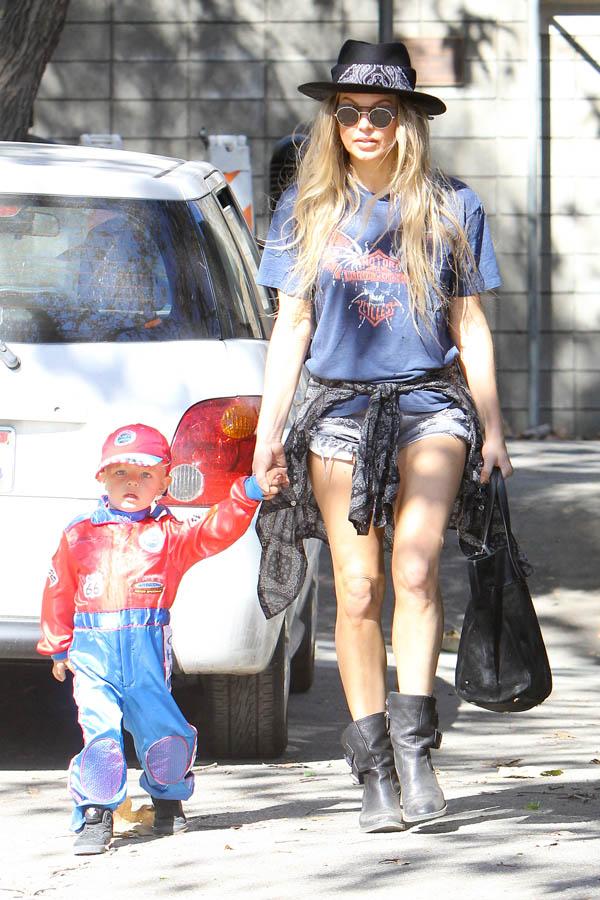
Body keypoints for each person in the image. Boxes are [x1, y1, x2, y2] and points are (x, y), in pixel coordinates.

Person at [252, 39, 513, 834]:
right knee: (358, 587)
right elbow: (291, 327)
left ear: (406, 120)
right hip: (336, 408)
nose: (365, 125)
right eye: (349, 112)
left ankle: (415, 749)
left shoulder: (452, 203)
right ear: (332, 120)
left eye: (381, 112)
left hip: (431, 404)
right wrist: (267, 437)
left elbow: (470, 323)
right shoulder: (307, 208)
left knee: (416, 564)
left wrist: (493, 426)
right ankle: (370, 765)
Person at [37, 423, 283, 855]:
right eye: (120, 474)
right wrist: (58, 644)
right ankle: (96, 813)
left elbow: (214, 529)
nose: (132, 483)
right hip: (94, 652)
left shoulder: (171, 533)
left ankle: (168, 800)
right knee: (99, 732)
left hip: (147, 649)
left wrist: (248, 492)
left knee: (162, 730)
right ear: (101, 479)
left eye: (145, 475)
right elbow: (58, 589)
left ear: (165, 482)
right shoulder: (79, 534)